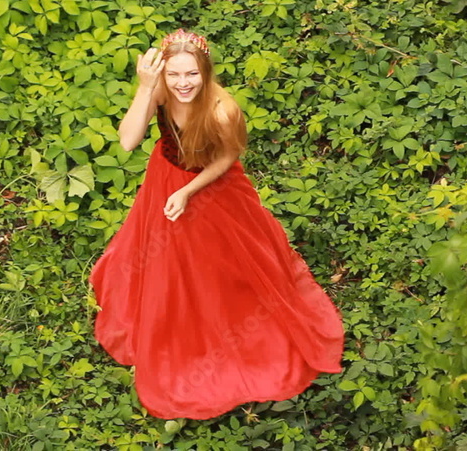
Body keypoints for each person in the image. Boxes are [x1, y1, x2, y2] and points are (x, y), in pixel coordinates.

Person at [88, 29, 346, 420]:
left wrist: (188, 191)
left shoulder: (224, 110)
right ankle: (167, 312)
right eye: (174, 74)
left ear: (206, 72)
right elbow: (127, 141)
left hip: (212, 191)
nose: (183, 83)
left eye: (192, 74)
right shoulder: (162, 92)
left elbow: (227, 159)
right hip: (166, 178)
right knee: (163, 255)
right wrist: (146, 87)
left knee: (221, 265)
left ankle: (225, 326)